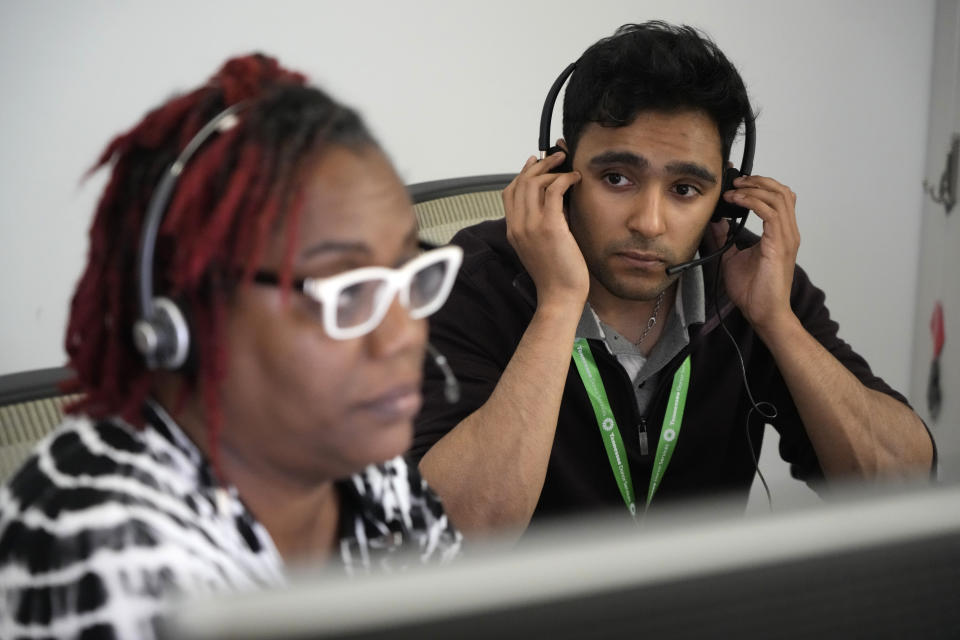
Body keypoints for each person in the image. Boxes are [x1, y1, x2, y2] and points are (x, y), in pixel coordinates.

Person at [411, 21, 935, 539]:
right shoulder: (471, 281)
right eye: (617, 178)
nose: (649, 222)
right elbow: (449, 536)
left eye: (685, 188)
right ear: (559, 171)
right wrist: (558, 304)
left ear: (726, 196)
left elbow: (902, 486)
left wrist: (777, 321)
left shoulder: (752, 283)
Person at [0, 54, 461, 639]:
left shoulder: (371, 473)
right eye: (346, 293)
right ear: (187, 316)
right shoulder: (98, 538)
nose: (404, 334)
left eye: (407, 275)